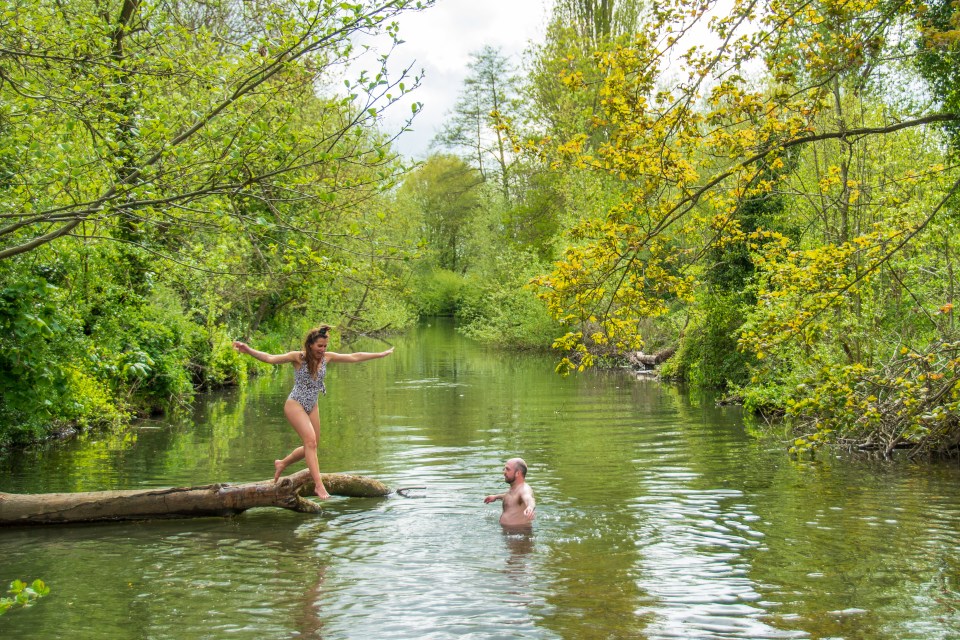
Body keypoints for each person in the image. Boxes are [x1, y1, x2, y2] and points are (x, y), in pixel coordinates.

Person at [233, 325, 393, 499]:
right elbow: (270, 358)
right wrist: (248, 350)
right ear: (310, 345)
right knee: (310, 442)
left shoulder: (327, 358)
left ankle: (283, 462)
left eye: (325, 346)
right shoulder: (298, 357)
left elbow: (354, 356)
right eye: (319, 346)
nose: (322, 350)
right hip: (295, 404)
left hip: (313, 405)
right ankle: (319, 485)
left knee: (313, 444)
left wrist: (380, 354)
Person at [484, 458, 536, 526]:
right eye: (504, 469)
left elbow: (529, 498)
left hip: (519, 533)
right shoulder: (515, 489)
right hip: (509, 533)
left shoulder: (524, 489)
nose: (504, 472)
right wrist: (496, 497)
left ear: (517, 473)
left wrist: (530, 507)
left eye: (507, 469)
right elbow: (511, 497)